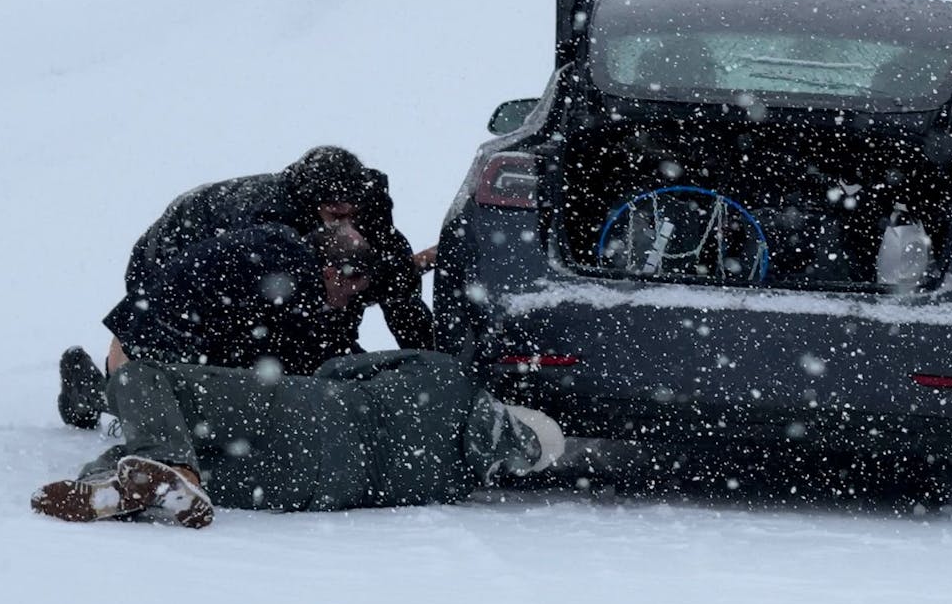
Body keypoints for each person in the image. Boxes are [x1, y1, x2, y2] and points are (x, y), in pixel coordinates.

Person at [30, 226, 563, 529]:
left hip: (305, 408)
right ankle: (145, 482)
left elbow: (339, 369)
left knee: (144, 378)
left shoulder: (447, 379)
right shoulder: (452, 484)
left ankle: (126, 476)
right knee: (173, 455)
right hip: (302, 486)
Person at [56, 146, 435, 429]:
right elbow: (181, 297)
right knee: (188, 370)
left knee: (320, 342)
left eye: (354, 213)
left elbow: (395, 282)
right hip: (173, 258)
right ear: (310, 204)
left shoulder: (364, 209)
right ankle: (97, 393)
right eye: (336, 215)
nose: (349, 221)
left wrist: (430, 363)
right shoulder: (263, 226)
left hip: (288, 275)